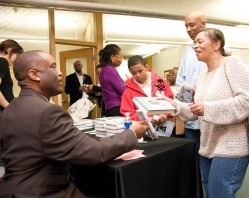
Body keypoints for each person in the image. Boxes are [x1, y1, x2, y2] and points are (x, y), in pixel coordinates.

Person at [0, 50, 148, 197]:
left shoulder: (10, 109)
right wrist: (132, 133)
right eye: (53, 67)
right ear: (34, 75)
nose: (60, 73)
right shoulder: (48, 112)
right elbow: (94, 152)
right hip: (42, 191)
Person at [164, 28, 249, 197]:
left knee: (219, 193)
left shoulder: (233, 64)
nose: (195, 46)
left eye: (200, 42)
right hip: (208, 145)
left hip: (232, 145)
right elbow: (196, 111)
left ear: (216, 44)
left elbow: (247, 101)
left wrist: (207, 108)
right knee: (211, 192)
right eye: (194, 43)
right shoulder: (203, 75)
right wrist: (174, 105)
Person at [176, 11, 207, 155]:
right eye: (186, 26)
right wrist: (186, 104)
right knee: (193, 156)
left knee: (210, 156)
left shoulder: (219, 48)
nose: (188, 29)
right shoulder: (188, 52)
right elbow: (180, 81)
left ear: (203, 24)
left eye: (192, 25)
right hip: (191, 115)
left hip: (209, 115)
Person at [120, 55, 174, 124]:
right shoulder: (128, 91)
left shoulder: (161, 83)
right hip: (142, 130)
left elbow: (171, 102)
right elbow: (128, 113)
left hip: (163, 128)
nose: (138, 75)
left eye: (140, 71)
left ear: (146, 67)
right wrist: (145, 119)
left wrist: (165, 114)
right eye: (133, 73)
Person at [99, 44, 125, 117]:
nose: (121, 60)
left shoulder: (104, 70)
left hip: (109, 107)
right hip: (116, 107)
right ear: (112, 57)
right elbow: (123, 89)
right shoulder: (110, 70)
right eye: (120, 57)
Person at [0, 39, 24, 112]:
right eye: (17, 55)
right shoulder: (2, 62)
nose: (16, 60)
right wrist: (9, 107)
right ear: (9, 50)